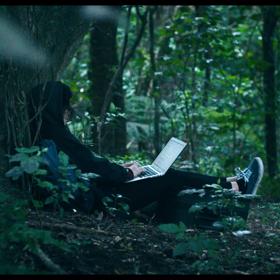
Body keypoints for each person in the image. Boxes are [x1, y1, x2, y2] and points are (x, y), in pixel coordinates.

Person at [27, 81, 264, 220]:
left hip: (98, 192)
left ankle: (231, 183)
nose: (68, 113)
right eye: (65, 107)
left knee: (167, 176)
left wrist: (122, 170)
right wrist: (126, 174)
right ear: (55, 107)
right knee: (170, 177)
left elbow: (86, 164)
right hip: (99, 201)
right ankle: (235, 186)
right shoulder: (57, 136)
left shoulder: (45, 132)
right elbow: (88, 163)